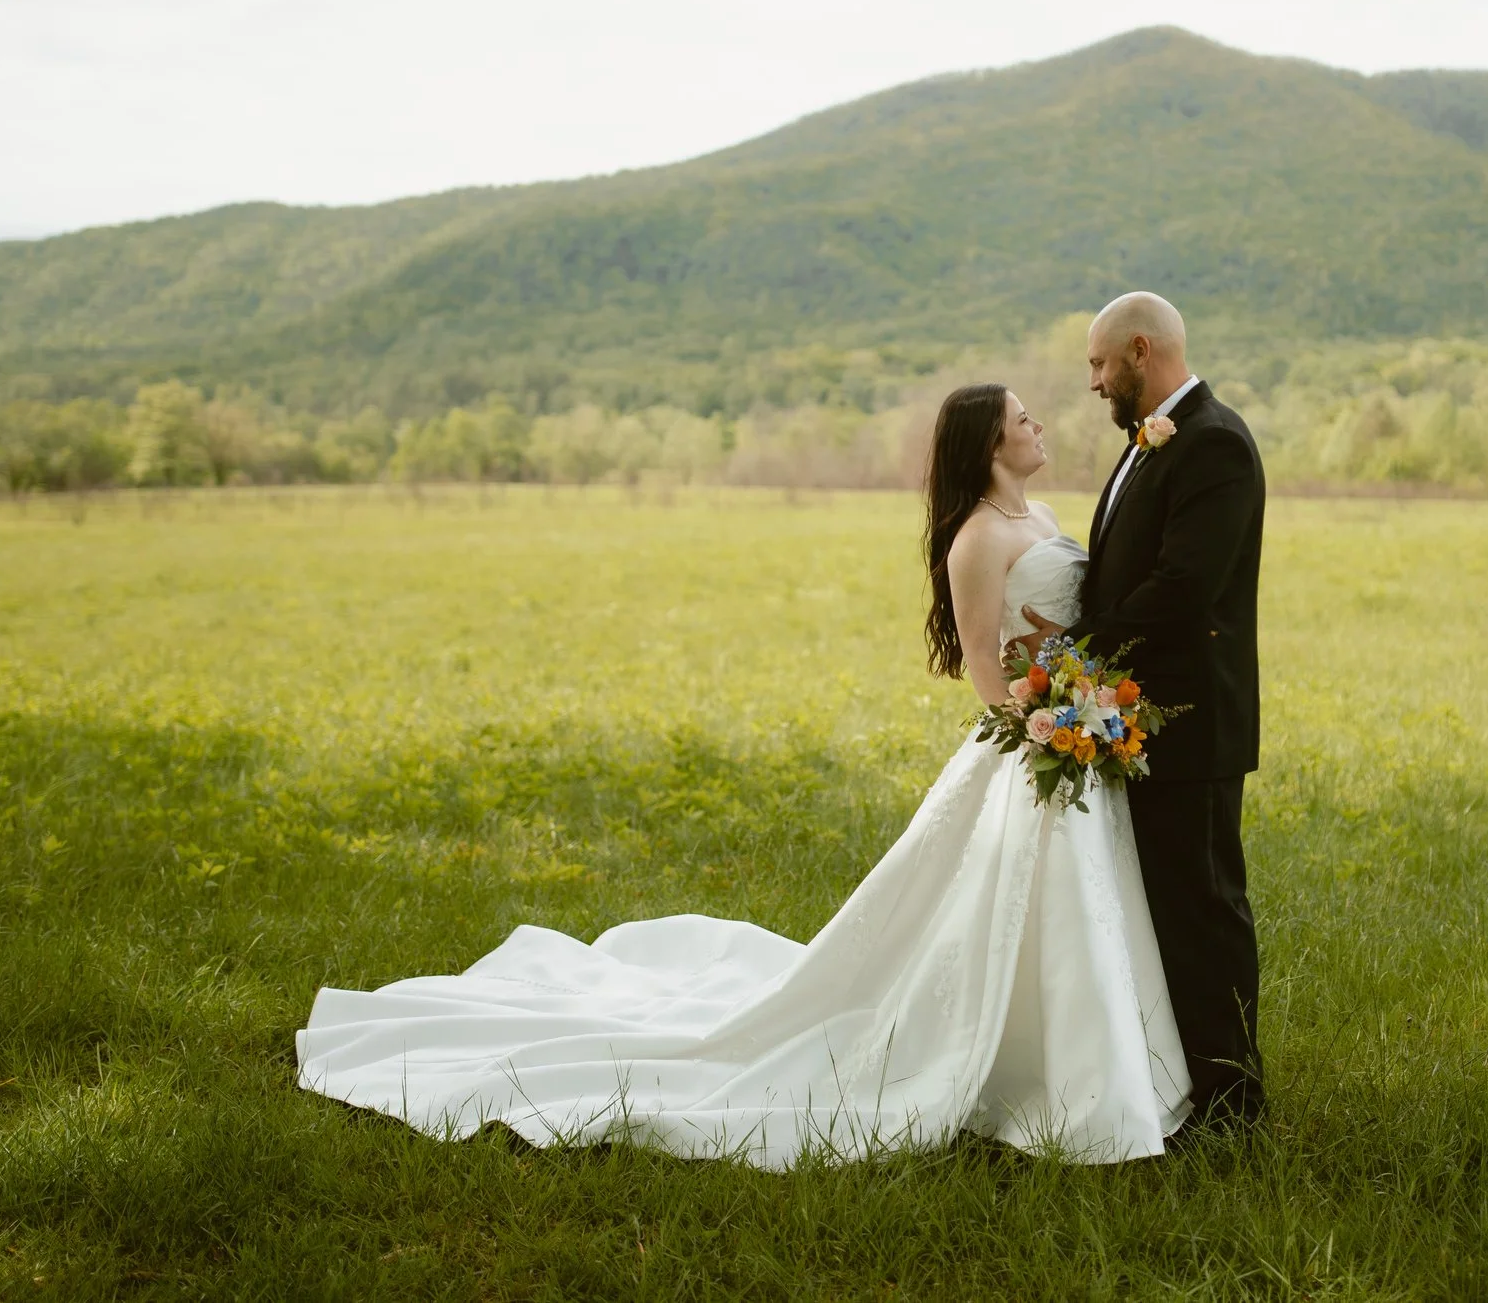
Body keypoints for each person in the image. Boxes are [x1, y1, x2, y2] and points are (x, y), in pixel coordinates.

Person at [295, 384, 1191, 1167]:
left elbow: (1061, 626)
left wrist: (1078, 697)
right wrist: (1036, 724)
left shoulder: (1042, 519)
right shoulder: (976, 538)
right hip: (1032, 741)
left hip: (1073, 728)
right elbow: (984, 662)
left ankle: (1090, 1065)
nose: (1039, 426)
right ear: (990, 442)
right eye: (1023, 419)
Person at [1023, 291, 1266, 1127]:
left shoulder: (1215, 442)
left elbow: (1183, 586)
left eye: (1098, 363)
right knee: (1167, 910)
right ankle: (1181, 1083)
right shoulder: (1152, 440)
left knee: (1204, 912)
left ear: (1138, 350)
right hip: (1141, 721)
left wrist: (1074, 646)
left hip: (1193, 724)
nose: (1093, 381)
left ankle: (1234, 1105)